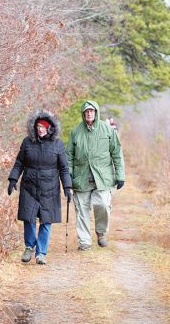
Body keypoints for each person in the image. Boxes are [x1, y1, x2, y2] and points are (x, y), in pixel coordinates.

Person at [7, 109, 72, 265]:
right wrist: (13, 179)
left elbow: (64, 168)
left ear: (49, 128)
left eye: (42, 127)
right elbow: (19, 163)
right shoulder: (27, 142)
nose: (40, 129)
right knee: (28, 218)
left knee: (46, 221)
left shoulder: (58, 144)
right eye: (38, 127)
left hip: (49, 188)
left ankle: (41, 253)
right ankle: (29, 246)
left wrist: (68, 187)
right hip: (29, 186)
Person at [67, 100, 125, 249]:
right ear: (83, 114)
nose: (89, 113)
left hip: (102, 177)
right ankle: (85, 242)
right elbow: (69, 157)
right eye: (86, 111)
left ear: (96, 112)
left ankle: (101, 232)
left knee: (103, 205)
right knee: (81, 211)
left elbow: (117, 154)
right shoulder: (76, 131)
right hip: (81, 178)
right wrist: (68, 177)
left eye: (91, 111)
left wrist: (120, 175)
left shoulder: (107, 130)